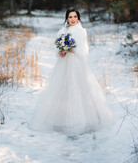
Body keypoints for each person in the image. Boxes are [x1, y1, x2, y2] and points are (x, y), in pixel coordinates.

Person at [32, 8, 113, 136]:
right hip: (63, 65)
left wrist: (72, 50)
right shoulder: (62, 31)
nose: (73, 19)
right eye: (70, 17)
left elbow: (84, 51)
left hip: (77, 64)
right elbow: (57, 50)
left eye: (75, 16)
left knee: (79, 90)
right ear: (66, 18)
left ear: (78, 18)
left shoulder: (80, 31)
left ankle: (84, 120)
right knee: (62, 89)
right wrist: (61, 51)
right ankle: (61, 119)